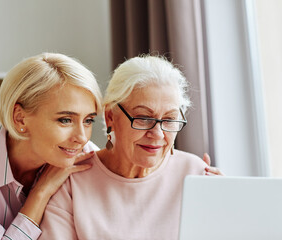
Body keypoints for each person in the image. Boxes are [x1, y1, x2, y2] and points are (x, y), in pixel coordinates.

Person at [39, 55, 223, 240]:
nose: (158, 134)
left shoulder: (195, 173)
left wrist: (230, 211)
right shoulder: (72, 182)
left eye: (169, 120)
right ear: (110, 116)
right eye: (143, 118)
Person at [0, 52, 102, 239]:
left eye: (88, 120)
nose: (81, 137)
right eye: (65, 120)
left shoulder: (82, 156)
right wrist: (40, 193)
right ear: (19, 118)